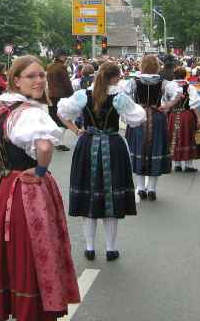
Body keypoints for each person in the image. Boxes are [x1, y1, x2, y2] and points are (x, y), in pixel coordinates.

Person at [0, 55, 80, 320]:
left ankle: (7, 303)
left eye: (41, 75)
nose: (39, 80)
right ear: (16, 80)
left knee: (6, 247)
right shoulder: (29, 112)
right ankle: (32, 308)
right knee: (33, 249)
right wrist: (40, 170)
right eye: (31, 76)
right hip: (29, 189)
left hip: (4, 186)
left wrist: (5, 165)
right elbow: (44, 146)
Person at [57, 62, 145, 261]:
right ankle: (111, 248)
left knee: (88, 195)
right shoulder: (119, 97)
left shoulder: (83, 95)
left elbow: (61, 113)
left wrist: (76, 130)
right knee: (110, 196)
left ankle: (89, 247)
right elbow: (137, 119)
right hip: (112, 146)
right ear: (114, 77)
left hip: (87, 145)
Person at [124, 55, 179, 200]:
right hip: (157, 117)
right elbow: (178, 94)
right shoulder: (163, 82)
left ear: (142, 65)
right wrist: (167, 105)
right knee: (156, 149)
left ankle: (141, 188)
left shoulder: (134, 81)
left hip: (138, 116)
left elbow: (124, 97)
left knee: (138, 149)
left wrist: (132, 107)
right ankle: (152, 189)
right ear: (157, 66)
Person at [166, 66, 200, 172]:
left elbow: (165, 103)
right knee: (188, 137)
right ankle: (188, 165)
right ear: (185, 75)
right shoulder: (189, 87)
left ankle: (177, 164)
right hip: (186, 116)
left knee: (174, 138)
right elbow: (195, 104)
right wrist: (199, 118)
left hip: (173, 115)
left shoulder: (168, 87)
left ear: (174, 75)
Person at [46, 48, 74, 151]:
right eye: (64, 55)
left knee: (55, 119)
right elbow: (67, 84)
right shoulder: (61, 68)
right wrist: (72, 95)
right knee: (63, 120)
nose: (66, 57)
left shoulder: (49, 67)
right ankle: (58, 142)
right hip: (61, 96)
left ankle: (55, 141)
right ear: (61, 56)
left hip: (51, 96)